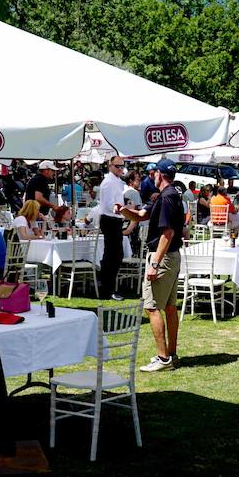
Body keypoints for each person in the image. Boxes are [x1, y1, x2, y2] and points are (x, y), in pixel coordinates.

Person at [119, 160, 187, 372]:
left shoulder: (167, 197)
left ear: (159, 174)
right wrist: (123, 210)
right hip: (172, 256)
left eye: (153, 172)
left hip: (163, 257)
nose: (150, 175)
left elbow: (168, 233)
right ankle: (171, 354)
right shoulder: (167, 195)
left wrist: (154, 263)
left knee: (151, 306)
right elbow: (141, 216)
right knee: (168, 307)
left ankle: (163, 358)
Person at [94, 156, 129, 300]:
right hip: (110, 220)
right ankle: (107, 289)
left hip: (114, 220)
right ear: (110, 166)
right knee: (113, 255)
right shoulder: (108, 182)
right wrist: (126, 210)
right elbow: (110, 205)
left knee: (114, 255)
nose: (120, 169)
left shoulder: (117, 182)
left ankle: (108, 288)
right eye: (117, 166)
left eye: (122, 166)